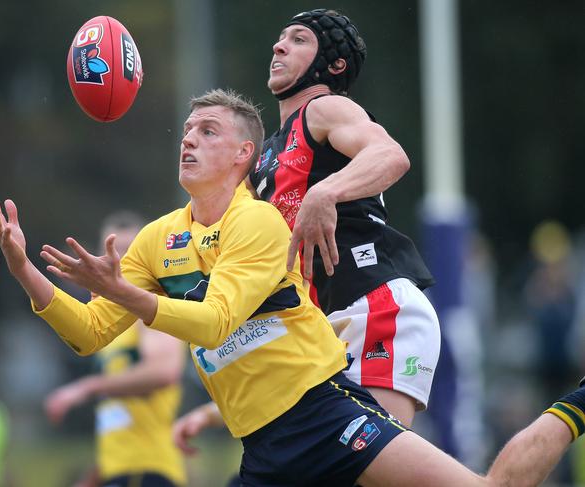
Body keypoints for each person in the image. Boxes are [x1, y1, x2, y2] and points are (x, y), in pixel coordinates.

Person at [0, 89, 585, 486]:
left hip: (324, 418)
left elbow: (216, 321)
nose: (188, 139)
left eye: (208, 131)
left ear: (245, 154)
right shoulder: (156, 240)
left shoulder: (259, 220)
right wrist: (24, 270)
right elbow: (89, 335)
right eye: (186, 131)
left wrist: (128, 296)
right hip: (265, 449)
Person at [174, 9, 438, 448]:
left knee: (366, 469)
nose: (279, 46)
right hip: (323, 333)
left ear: (333, 65)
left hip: (374, 309)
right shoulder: (263, 157)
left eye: (298, 40)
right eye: (280, 38)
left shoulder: (325, 109)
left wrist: (325, 193)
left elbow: (391, 155)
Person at [43, 211, 187, 487]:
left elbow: (165, 371)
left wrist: (87, 387)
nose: (118, 260)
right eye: (111, 249)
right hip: (121, 471)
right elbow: (120, 421)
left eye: (128, 251)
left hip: (149, 471)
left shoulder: (151, 308)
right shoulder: (107, 322)